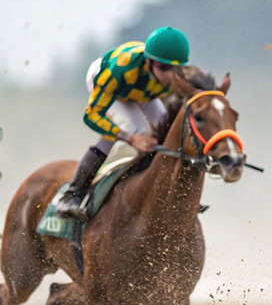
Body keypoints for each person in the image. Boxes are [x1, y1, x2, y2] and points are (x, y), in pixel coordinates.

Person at [55, 26, 190, 220]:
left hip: (142, 89)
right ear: (149, 61)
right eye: (164, 68)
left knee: (167, 132)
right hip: (109, 81)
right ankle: (72, 196)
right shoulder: (118, 70)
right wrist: (131, 139)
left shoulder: (174, 76)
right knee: (137, 129)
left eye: (176, 69)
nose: (170, 76)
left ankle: (174, 193)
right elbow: (92, 115)